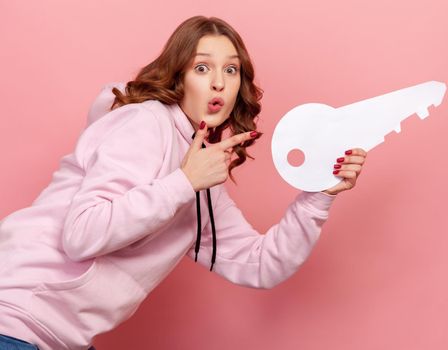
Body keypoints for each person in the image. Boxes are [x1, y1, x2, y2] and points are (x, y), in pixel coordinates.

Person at [0, 16, 367, 350]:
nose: (219, 82)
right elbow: (82, 234)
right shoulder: (145, 123)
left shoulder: (201, 185)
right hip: (13, 318)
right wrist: (183, 183)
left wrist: (318, 195)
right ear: (179, 76)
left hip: (57, 337)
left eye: (232, 70)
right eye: (203, 67)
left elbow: (261, 264)